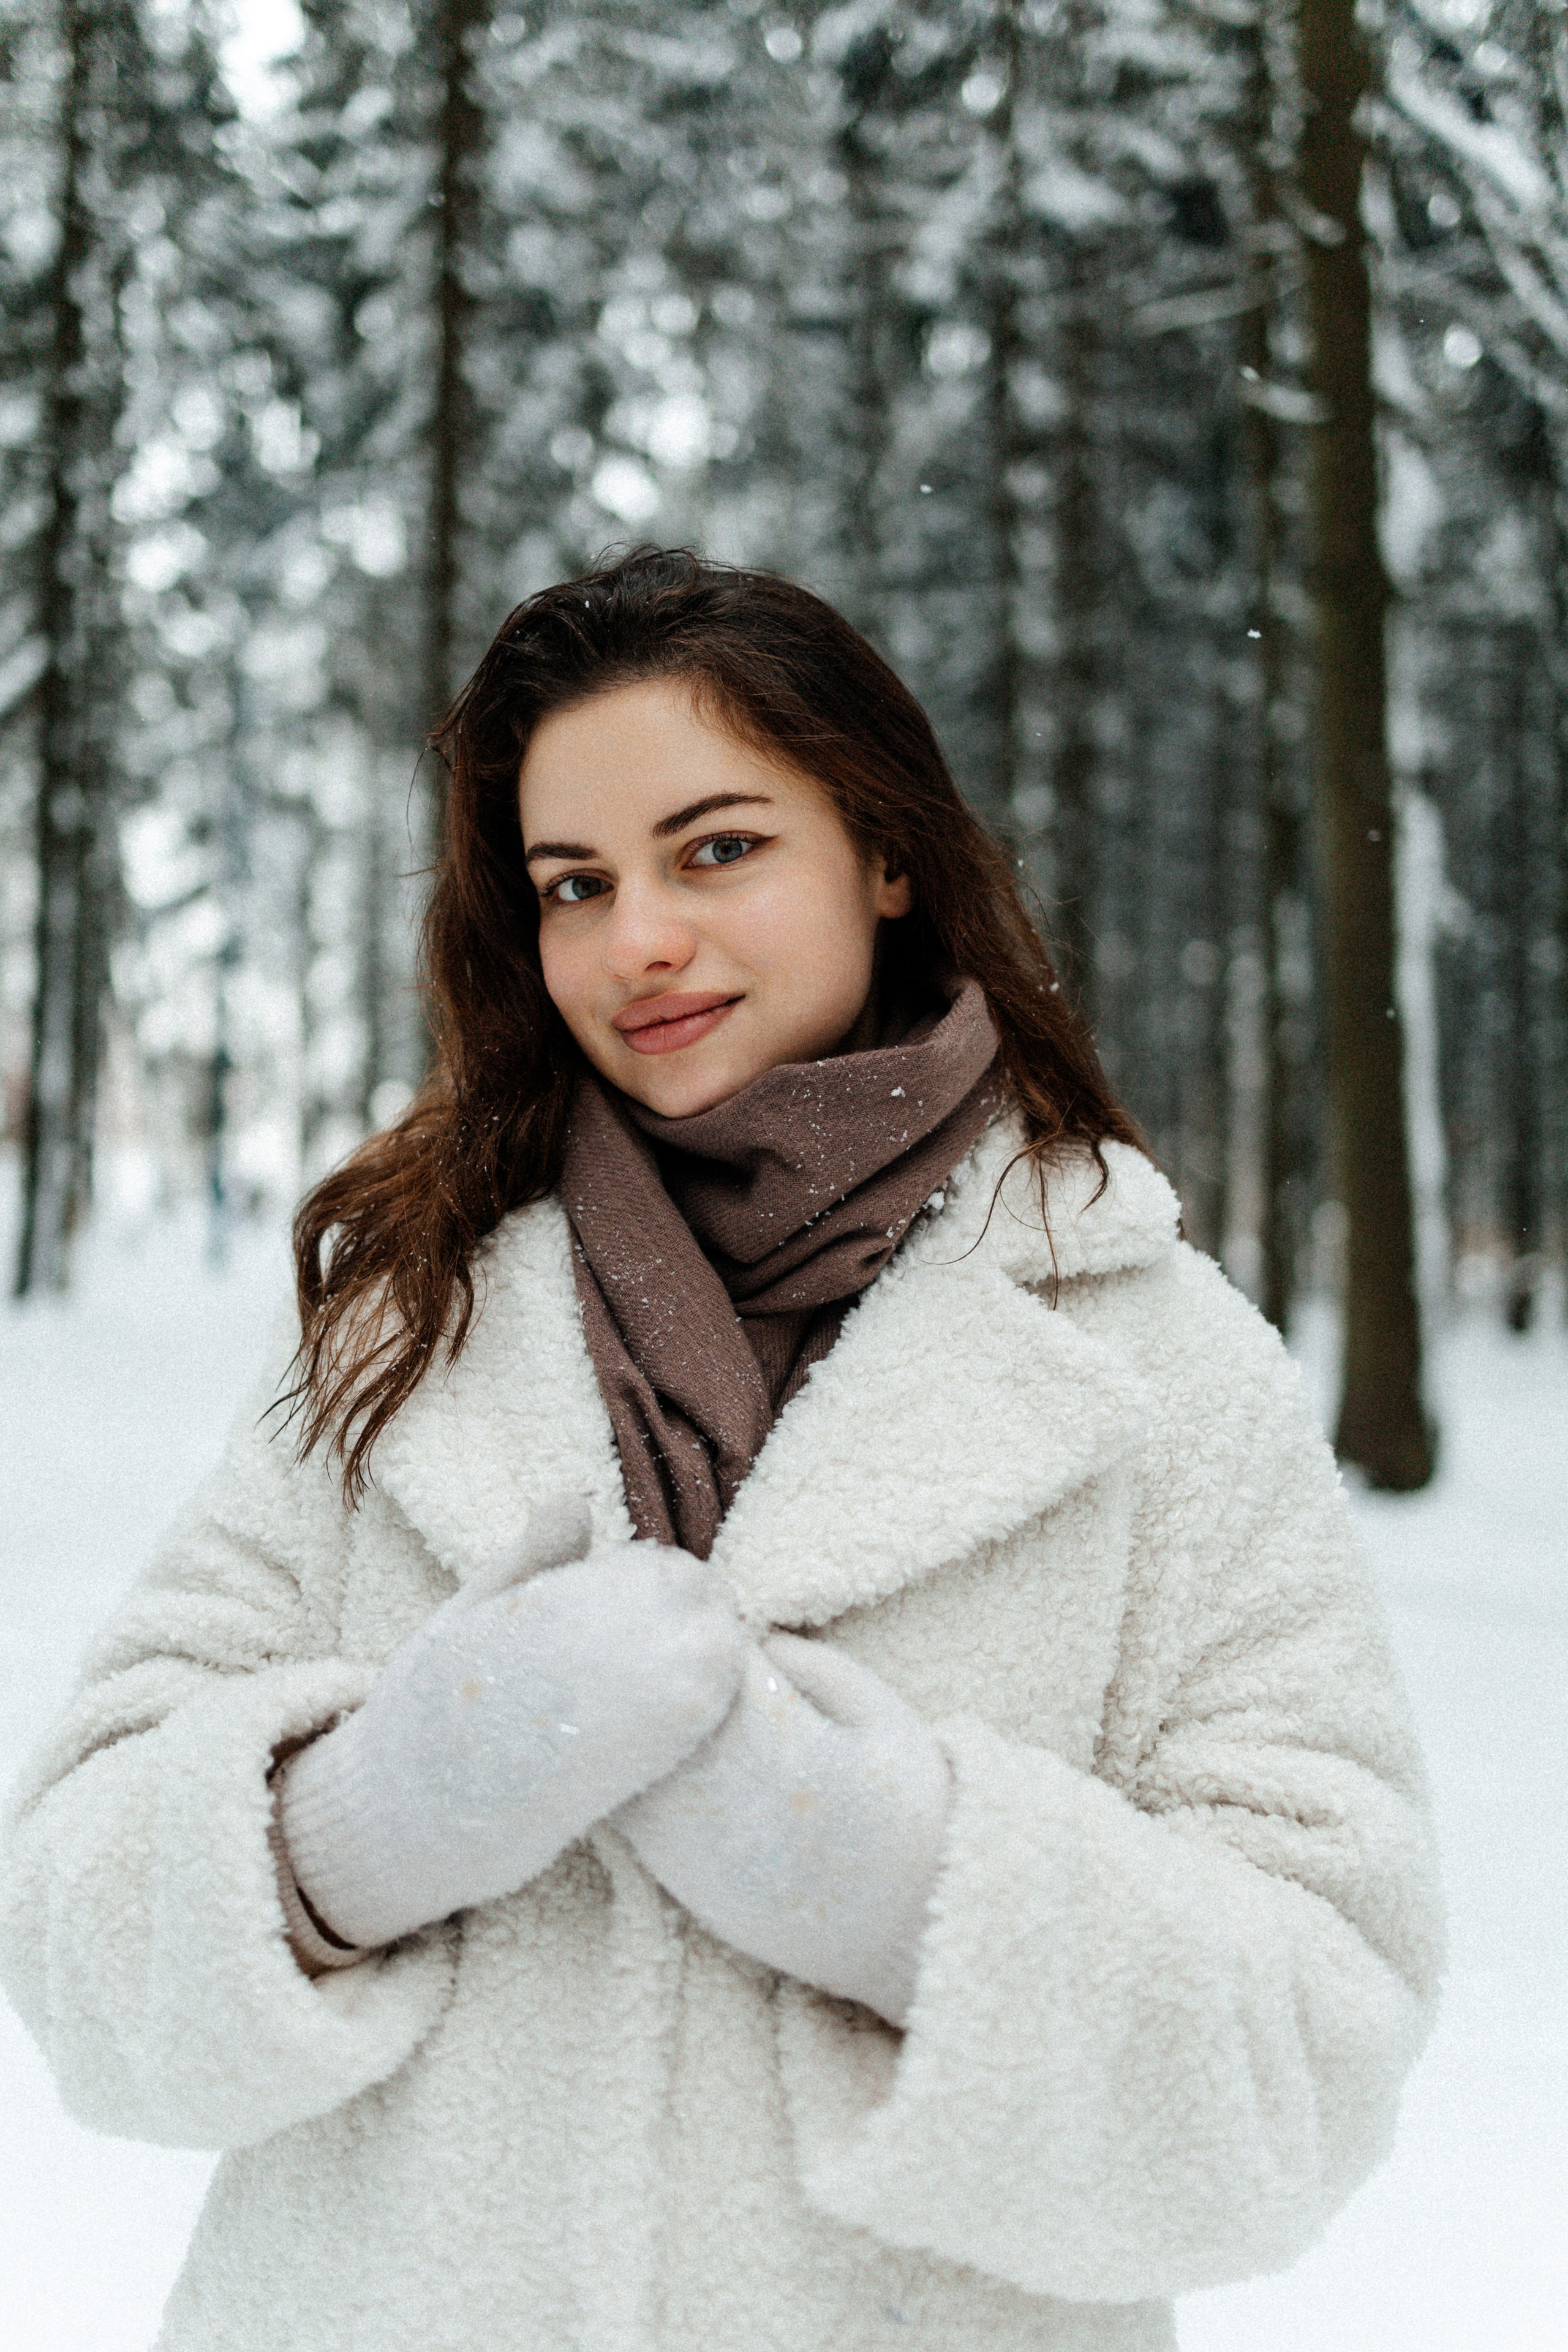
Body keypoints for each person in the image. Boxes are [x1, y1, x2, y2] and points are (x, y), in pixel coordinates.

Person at [1, 548, 1442, 2352]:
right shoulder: (409, 1322)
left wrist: (897, 1880)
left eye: (717, 849)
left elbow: (1320, 2054)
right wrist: (365, 1821)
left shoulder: (1153, 1365)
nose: (638, 943)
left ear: (886, 852)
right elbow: (65, 1933)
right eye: (574, 884)